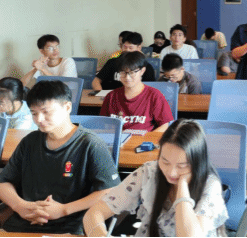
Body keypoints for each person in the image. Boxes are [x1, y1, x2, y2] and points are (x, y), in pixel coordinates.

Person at [0, 80, 120, 234]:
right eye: (34, 113)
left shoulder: (90, 144)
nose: (39, 119)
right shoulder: (29, 141)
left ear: (67, 107)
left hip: (69, 225)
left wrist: (63, 209)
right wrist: (20, 206)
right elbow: (4, 181)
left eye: (46, 112)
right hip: (25, 220)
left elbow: (110, 190)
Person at [83, 119, 229, 237]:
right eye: (165, 161)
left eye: (182, 166)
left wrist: (183, 187)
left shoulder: (210, 185)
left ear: (197, 162)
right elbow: (94, 213)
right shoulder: (150, 171)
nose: (171, 173)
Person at [100, 52, 173, 133]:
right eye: (123, 72)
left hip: (143, 139)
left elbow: (164, 125)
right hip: (117, 139)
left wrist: (148, 138)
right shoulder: (111, 96)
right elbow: (102, 124)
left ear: (142, 71)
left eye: (132, 72)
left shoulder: (155, 95)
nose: (127, 77)